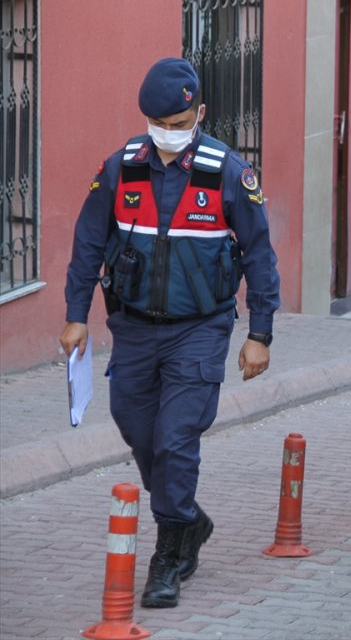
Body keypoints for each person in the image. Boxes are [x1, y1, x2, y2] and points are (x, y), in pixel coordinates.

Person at [59, 57, 280, 608]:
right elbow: (88, 243)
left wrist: (262, 333)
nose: (170, 134)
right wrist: (75, 314)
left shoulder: (228, 171)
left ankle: (167, 554)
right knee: (137, 428)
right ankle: (190, 519)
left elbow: (260, 257)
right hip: (133, 329)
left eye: (181, 123)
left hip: (200, 329)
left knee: (175, 439)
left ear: (200, 112)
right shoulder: (120, 167)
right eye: (161, 123)